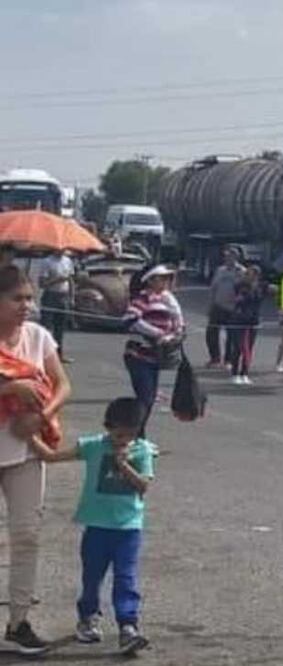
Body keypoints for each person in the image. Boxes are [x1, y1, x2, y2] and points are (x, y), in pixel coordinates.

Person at [30, 397, 154, 655]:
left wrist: (124, 465)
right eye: (119, 434)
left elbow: (143, 485)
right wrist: (29, 435)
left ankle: (128, 625)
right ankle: (88, 617)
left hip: (128, 528)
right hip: (97, 525)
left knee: (126, 577)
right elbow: (52, 457)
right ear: (109, 427)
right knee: (92, 576)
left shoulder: (141, 450)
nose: (123, 440)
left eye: (130, 434)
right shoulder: (94, 446)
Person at [0, 265, 72, 654]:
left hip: (26, 450)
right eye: (17, 298)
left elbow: (62, 385)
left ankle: (18, 623)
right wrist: (11, 387)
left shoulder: (38, 337)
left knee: (27, 536)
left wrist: (39, 417)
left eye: (29, 297)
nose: (26, 305)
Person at [122, 265, 183, 438]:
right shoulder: (143, 298)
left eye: (167, 279)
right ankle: (136, 436)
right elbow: (129, 319)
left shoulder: (166, 299)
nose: (165, 282)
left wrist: (174, 335)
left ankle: (136, 435)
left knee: (148, 400)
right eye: (161, 278)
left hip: (155, 357)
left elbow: (177, 321)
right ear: (150, 280)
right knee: (145, 398)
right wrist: (156, 333)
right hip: (138, 355)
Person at [205, 247, 243, 369]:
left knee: (231, 336)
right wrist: (210, 305)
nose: (227, 258)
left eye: (230, 256)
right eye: (226, 256)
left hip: (233, 308)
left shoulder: (241, 271)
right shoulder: (220, 270)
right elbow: (213, 288)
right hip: (218, 306)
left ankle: (228, 360)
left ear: (236, 257)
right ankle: (215, 359)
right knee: (211, 333)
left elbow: (245, 289)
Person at [226, 266, 264, 386]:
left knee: (249, 348)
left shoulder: (259, 287)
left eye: (254, 274)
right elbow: (237, 298)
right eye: (249, 274)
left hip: (253, 321)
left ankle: (245, 373)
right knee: (238, 347)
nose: (251, 276)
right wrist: (241, 296)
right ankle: (235, 374)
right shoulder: (240, 286)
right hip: (239, 320)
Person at [37, 250, 75, 363]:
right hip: (50, 295)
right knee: (46, 327)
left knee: (60, 328)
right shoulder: (47, 262)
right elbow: (42, 284)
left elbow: (70, 280)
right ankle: (43, 355)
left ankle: (58, 355)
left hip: (63, 295)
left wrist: (72, 297)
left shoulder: (67, 261)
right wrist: (57, 280)